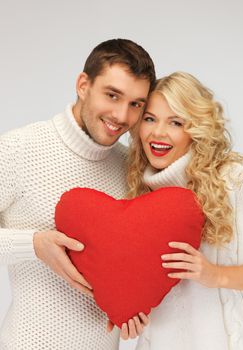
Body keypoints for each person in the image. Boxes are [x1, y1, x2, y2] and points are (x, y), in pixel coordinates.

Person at [0, 38, 155, 350]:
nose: (122, 116)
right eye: (112, 95)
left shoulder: (131, 168)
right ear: (83, 85)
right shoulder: (18, 148)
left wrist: (134, 310)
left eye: (136, 104)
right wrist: (33, 244)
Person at [127, 72, 243, 350]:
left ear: (196, 128)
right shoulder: (136, 191)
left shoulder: (235, 182)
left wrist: (215, 274)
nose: (157, 133)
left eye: (175, 122)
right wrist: (133, 315)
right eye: (149, 119)